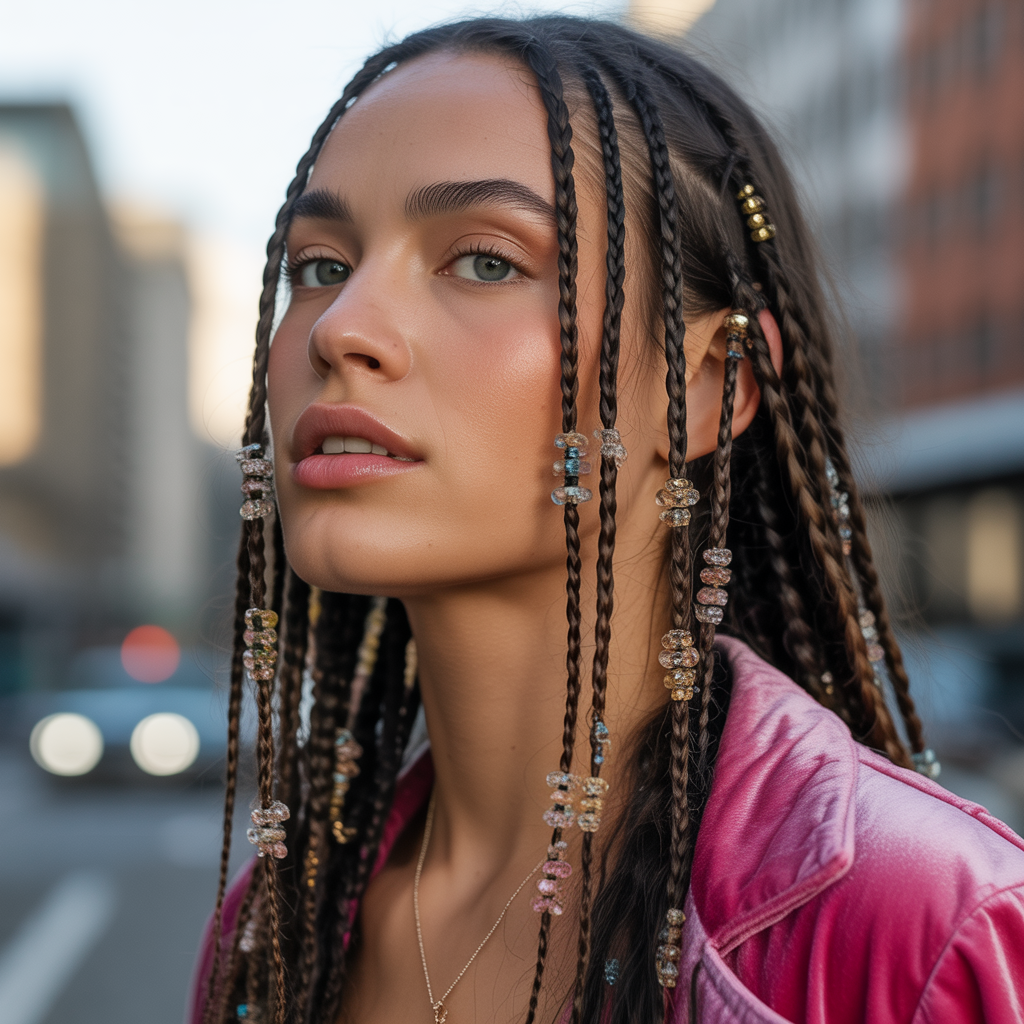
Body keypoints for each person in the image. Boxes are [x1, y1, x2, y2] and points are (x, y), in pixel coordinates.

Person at [189, 16, 1024, 1024]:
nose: (341, 329)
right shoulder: (275, 927)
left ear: (715, 381)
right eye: (318, 265)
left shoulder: (929, 927)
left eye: (485, 262)